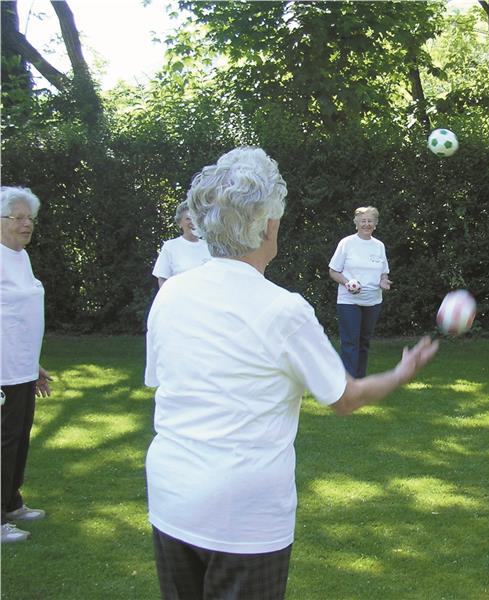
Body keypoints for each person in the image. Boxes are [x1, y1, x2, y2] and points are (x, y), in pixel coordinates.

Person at [144, 148, 437, 599]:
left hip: (171, 496)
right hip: (244, 516)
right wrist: (401, 372)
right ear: (266, 226)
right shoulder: (284, 310)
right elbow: (345, 398)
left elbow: (162, 381)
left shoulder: (171, 294)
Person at [1, 186, 52, 544]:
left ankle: (11, 503)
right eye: (17, 218)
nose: (26, 224)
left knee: (18, 438)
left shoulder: (21, 257)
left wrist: (34, 364)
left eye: (29, 218)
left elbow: (19, 318)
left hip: (21, 367)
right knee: (3, 441)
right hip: (2, 370)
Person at [328, 206, 392, 378]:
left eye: (370, 221)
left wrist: (383, 281)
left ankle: (360, 379)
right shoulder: (346, 243)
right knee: (350, 342)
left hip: (373, 301)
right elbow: (333, 271)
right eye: (363, 221)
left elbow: (383, 272)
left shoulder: (379, 246)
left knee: (364, 342)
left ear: (375, 224)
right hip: (348, 301)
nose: (366, 224)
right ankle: (348, 381)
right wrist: (347, 283)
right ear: (356, 223)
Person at [152, 200, 211, 288]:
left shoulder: (209, 246)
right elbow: (162, 279)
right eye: (188, 218)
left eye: (195, 218)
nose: (192, 222)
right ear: (179, 223)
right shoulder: (170, 246)